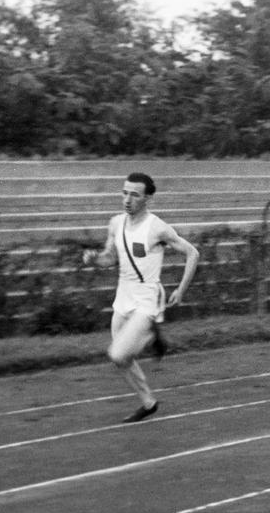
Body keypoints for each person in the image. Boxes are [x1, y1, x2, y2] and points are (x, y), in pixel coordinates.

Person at [82, 172, 199, 421]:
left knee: (117, 354)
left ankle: (152, 333)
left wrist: (181, 289)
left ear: (148, 199)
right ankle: (148, 403)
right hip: (123, 297)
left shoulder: (157, 228)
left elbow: (192, 253)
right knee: (121, 359)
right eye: (124, 193)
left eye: (135, 195)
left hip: (147, 298)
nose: (127, 199)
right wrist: (94, 257)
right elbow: (110, 258)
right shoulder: (115, 223)